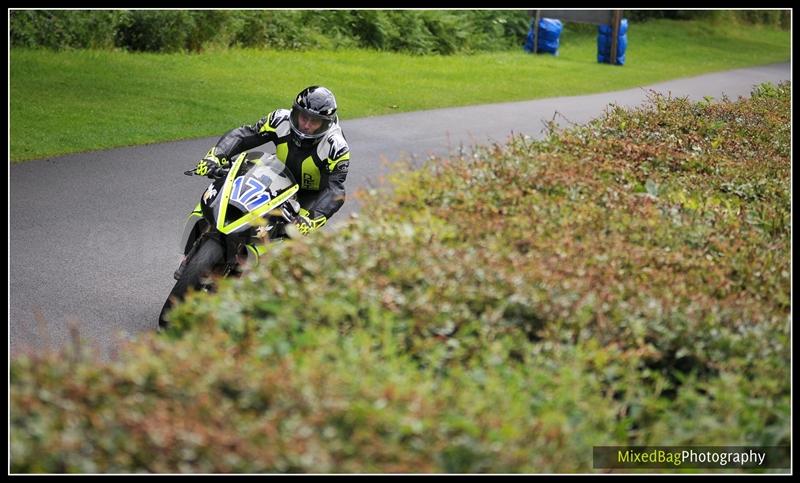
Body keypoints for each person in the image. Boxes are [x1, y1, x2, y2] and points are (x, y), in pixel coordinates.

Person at [195, 86, 351, 235]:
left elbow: (335, 190)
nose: (306, 125)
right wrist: (216, 155)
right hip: (275, 178)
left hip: (309, 196)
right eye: (303, 117)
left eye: (315, 121)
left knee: (295, 237)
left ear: (326, 123)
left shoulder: (336, 147)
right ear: (295, 112)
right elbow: (245, 135)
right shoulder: (279, 119)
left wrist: (312, 218)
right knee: (230, 194)